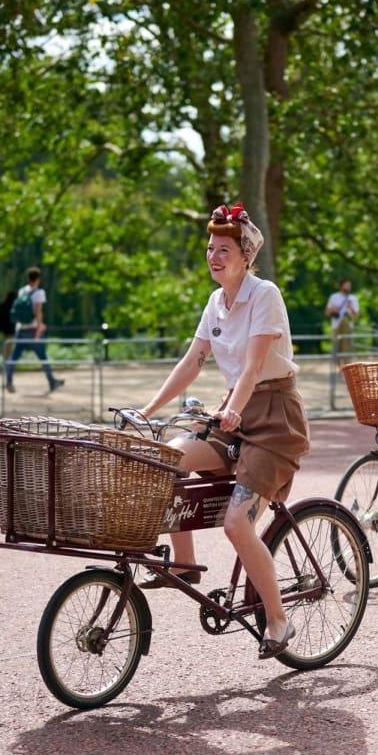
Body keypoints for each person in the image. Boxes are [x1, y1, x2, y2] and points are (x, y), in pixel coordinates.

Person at [136, 203, 310, 659]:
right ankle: (187, 563)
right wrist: (148, 410)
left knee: (238, 522)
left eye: (224, 249)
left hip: (274, 418)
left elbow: (253, 367)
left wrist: (232, 409)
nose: (214, 256)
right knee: (164, 458)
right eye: (210, 248)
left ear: (245, 256)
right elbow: (192, 361)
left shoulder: (264, 295)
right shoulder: (215, 302)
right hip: (232, 412)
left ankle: (278, 620)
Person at [4, 268, 64, 394]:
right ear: (38, 279)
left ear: (28, 278)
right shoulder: (39, 293)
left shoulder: (22, 291)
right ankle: (52, 382)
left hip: (20, 329)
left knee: (14, 356)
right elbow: (38, 311)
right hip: (32, 330)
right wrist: (39, 328)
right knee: (43, 357)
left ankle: (9, 381)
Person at [325, 278, 359, 356]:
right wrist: (333, 309)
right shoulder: (334, 297)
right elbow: (326, 313)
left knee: (347, 350)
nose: (348, 287)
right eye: (346, 285)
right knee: (336, 349)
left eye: (349, 286)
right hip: (336, 326)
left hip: (348, 327)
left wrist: (351, 309)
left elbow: (356, 317)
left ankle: (345, 367)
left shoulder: (353, 299)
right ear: (341, 286)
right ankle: (339, 367)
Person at [0, 289, 17, 360]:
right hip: (10, 330)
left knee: (6, 347)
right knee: (9, 347)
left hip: (4, 330)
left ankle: (6, 362)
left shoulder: (2, 305)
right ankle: (7, 364)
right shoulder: (13, 307)